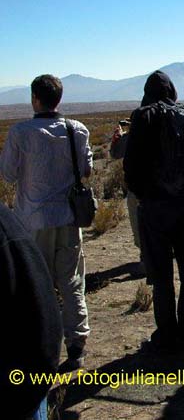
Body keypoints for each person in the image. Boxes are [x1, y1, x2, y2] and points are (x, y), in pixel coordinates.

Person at [0, 74, 91, 371]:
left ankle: (39, 346)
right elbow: (87, 168)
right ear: (59, 99)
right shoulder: (76, 129)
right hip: (67, 218)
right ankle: (76, 344)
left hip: (32, 221)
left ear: (35, 99)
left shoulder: (20, 132)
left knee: (36, 285)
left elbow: (9, 175)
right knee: (71, 281)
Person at [124, 71, 184, 352]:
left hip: (155, 206)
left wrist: (143, 195)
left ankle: (167, 335)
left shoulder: (142, 116)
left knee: (163, 275)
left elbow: (130, 166)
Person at [0, 203, 62, 420]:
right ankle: (79, 341)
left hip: (16, 396)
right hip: (61, 215)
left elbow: (43, 317)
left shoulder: (6, 233)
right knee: (72, 281)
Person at [110, 120, 147, 276]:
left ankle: (146, 261)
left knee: (140, 223)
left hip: (139, 186)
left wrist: (118, 136)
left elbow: (115, 153)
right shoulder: (164, 130)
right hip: (164, 185)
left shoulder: (131, 137)